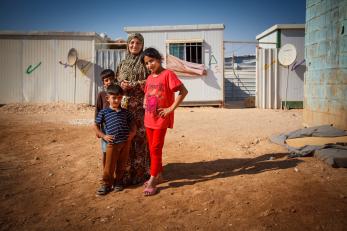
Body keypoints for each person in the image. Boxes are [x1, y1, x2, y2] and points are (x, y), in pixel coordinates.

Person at [141, 47, 188, 196]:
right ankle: (159, 174)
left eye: (152, 61)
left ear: (159, 59)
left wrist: (170, 109)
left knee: (155, 148)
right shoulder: (149, 78)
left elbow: (183, 91)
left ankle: (153, 179)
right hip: (148, 118)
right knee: (152, 148)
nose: (150, 65)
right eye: (147, 63)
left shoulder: (168, 74)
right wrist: (144, 101)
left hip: (160, 119)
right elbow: (147, 92)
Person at [116, 33, 150, 185]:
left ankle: (141, 172)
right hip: (125, 107)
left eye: (137, 43)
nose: (134, 46)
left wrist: (134, 84)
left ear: (142, 45)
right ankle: (127, 172)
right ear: (128, 45)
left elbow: (151, 80)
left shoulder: (145, 62)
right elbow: (116, 81)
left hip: (141, 107)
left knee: (141, 139)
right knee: (127, 138)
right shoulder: (122, 63)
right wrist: (121, 84)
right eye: (132, 43)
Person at [94, 84, 136, 195]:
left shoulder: (125, 112)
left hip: (125, 143)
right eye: (114, 98)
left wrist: (132, 134)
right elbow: (96, 126)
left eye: (119, 98)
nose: (116, 100)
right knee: (109, 165)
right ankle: (106, 184)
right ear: (108, 98)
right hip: (112, 143)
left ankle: (118, 182)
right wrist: (103, 136)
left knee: (122, 164)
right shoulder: (104, 112)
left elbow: (133, 124)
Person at [95, 69, 115, 168]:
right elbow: (97, 111)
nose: (109, 82)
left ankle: (115, 173)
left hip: (117, 127)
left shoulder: (118, 94)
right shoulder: (101, 95)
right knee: (105, 151)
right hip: (105, 128)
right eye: (106, 80)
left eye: (111, 79)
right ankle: (106, 174)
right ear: (103, 83)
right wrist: (98, 130)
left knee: (116, 151)